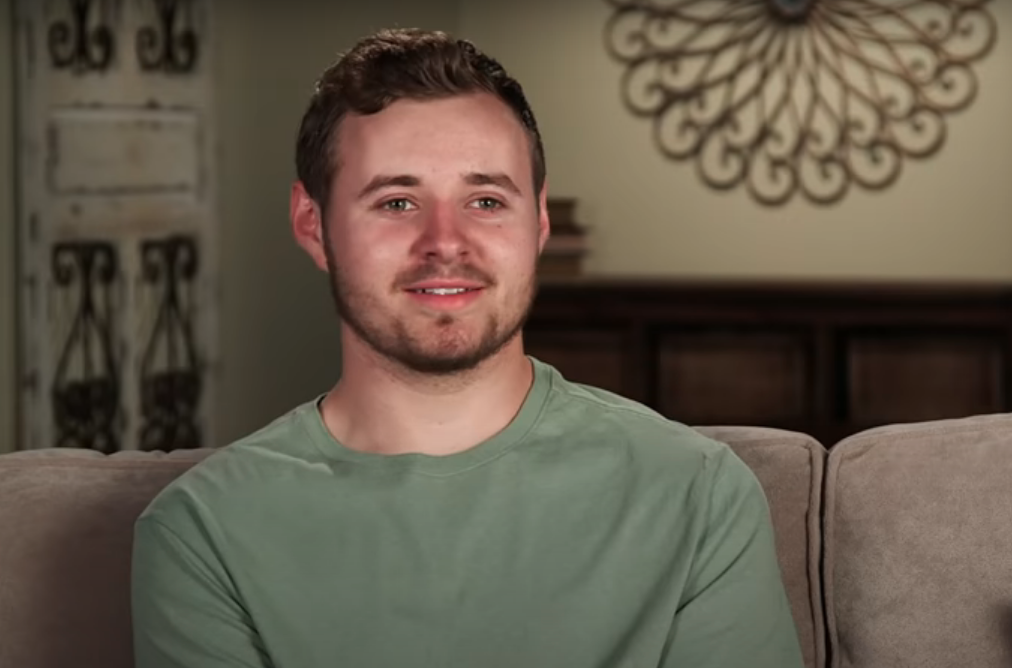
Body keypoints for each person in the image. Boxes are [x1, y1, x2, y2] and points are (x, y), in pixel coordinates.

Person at [130, 28, 803, 668]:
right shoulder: (204, 533)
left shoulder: (697, 495)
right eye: (397, 203)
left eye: (485, 201)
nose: (445, 242)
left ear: (537, 222)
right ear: (313, 225)